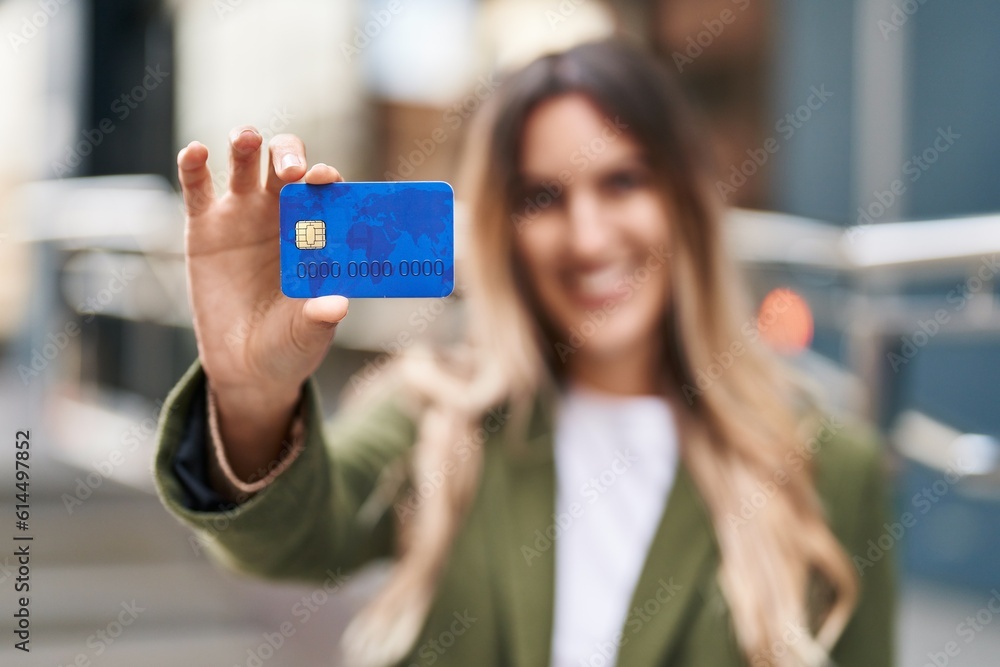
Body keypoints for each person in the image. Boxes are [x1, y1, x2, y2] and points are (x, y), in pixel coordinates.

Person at [154, 39, 895, 667]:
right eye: (542, 198)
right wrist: (252, 395)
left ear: (685, 201)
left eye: (623, 181)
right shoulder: (440, 419)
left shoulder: (831, 466)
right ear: (502, 229)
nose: (588, 237)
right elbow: (289, 538)